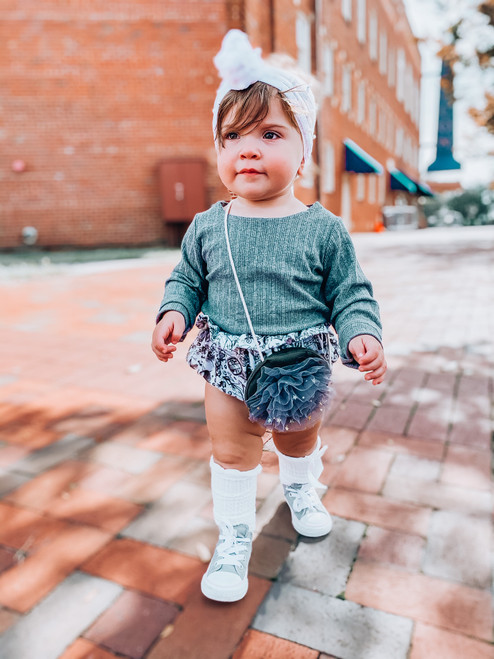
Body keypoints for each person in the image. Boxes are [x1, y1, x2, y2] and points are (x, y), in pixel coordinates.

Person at [151, 30, 386, 603]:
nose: (248, 149)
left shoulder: (322, 227)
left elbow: (350, 291)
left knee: (299, 439)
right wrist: (174, 311)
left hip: (298, 363)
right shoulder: (209, 225)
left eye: (270, 134)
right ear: (219, 150)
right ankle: (233, 535)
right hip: (226, 360)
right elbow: (186, 277)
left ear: (303, 153)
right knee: (232, 452)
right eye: (232, 136)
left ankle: (302, 489)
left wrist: (361, 332)